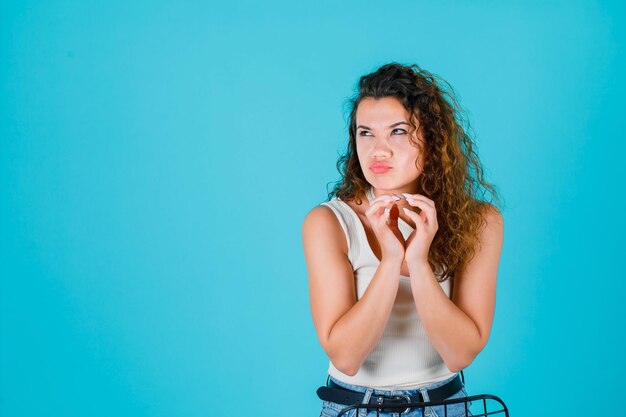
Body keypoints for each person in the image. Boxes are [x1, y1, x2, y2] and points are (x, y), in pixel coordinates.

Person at [301, 63, 504, 417]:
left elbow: (459, 353)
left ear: (432, 138)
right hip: (355, 407)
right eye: (365, 133)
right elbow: (346, 357)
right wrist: (392, 259)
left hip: (446, 406)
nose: (378, 150)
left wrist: (420, 263)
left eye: (397, 131)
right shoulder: (328, 222)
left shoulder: (479, 221)